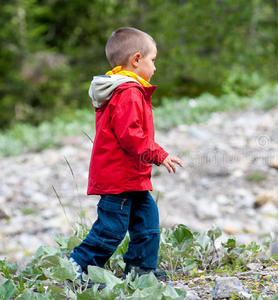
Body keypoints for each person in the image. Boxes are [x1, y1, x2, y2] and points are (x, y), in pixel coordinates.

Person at [69, 27, 183, 282]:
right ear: (136, 59)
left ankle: (141, 271)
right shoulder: (128, 92)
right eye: (153, 60)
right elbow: (130, 135)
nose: (154, 67)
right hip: (119, 179)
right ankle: (76, 269)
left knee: (148, 225)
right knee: (111, 230)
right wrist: (159, 154)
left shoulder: (128, 90)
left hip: (132, 177)